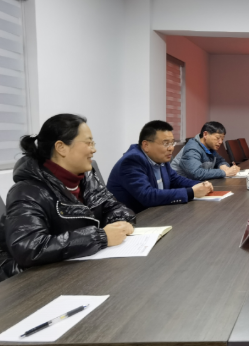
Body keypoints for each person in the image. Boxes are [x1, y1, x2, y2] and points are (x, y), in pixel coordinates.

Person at [0, 114, 136, 282]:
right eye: (88, 143)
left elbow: (113, 206)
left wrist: (120, 223)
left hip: (86, 270)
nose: (93, 150)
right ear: (61, 147)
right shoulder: (27, 191)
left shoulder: (86, 178)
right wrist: (101, 237)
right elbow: (29, 247)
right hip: (44, 282)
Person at [107, 120, 213, 213]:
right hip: (133, 220)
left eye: (172, 143)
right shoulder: (132, 161)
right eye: (166, 143)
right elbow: (147, 195)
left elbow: (175, 179)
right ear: (146, 145)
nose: (171, 148)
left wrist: (201, 184)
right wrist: (191, 192)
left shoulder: (160, 158)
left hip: (157, 213)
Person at [171, 121, 240, 180]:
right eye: (218, 138)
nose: (220, 142)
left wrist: (223, 166)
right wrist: (224, 172)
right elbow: (196, 173)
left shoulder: (209, 148)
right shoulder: (192, 149)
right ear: (205, 134)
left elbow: (221, 160)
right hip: (181, 187)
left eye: (222, 139)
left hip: (198, 185)